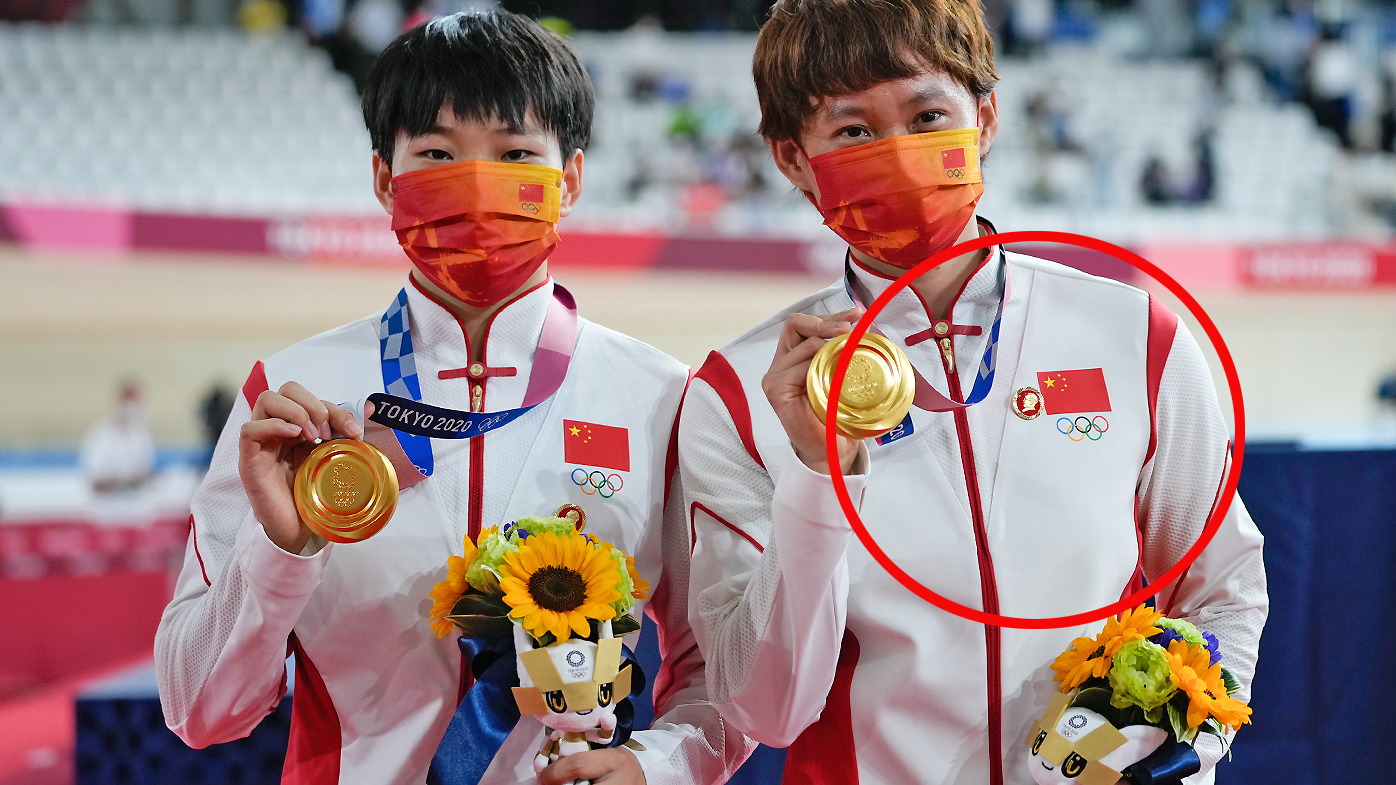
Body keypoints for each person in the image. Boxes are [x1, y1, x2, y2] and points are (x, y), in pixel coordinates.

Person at [677, 2, 1268, 784]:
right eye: (853, 132)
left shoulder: (1137, 336)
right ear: (792, 157)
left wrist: (1187, 747)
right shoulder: (736, 392)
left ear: (985, 118)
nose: (898, 153)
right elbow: (767, 709)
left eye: (928, 116)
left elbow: (1221, 591)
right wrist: (819, 478)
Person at [155, 12, 752, 785]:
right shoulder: (291, 400)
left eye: (514, 154)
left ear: (569, 180)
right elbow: (201, 709)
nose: (476, 184)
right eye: (437, 154)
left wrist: (657, 767)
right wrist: (282, 547)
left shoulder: (661, 398)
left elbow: (721, 678)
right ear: (383, 178)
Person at [81, 379, 155, 494]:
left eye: (135, 406)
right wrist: (124, 482)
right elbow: (94, 482)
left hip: (136, 507)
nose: (131, 412)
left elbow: (145, 474)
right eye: (128, 406)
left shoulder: (142, 437)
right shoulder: (100, 436)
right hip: (107, 508)